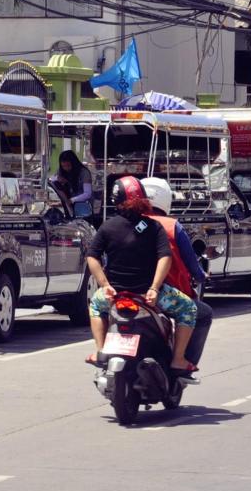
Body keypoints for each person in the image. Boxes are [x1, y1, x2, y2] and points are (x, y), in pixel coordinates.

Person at [85, 176, 197, 375]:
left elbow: (92, 257)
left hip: (115, 295)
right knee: (188, 309)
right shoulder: (153, 227)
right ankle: (178, 359)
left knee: (95, 305)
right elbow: (165, 257)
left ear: (116, 200)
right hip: (148, 296)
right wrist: (154, 288)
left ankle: (100, 351)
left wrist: (104, 285)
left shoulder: (107, 227)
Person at [139, 177, 213, 368]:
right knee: (202, 313)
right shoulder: (172, 226)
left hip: (125, 290)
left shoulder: (128, 223)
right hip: (162, 292)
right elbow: (191, 262)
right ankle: (182, 361)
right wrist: (200, 276)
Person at [50, 150, 94, 218]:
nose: (66, 168)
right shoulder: (61, 171)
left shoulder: (84, 173)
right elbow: (51, 179)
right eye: (63, 166)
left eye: (68, 166)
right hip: (68, 206)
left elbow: (87, 194)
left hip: (83, 206)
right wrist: (58, 178)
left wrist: (72, 200)